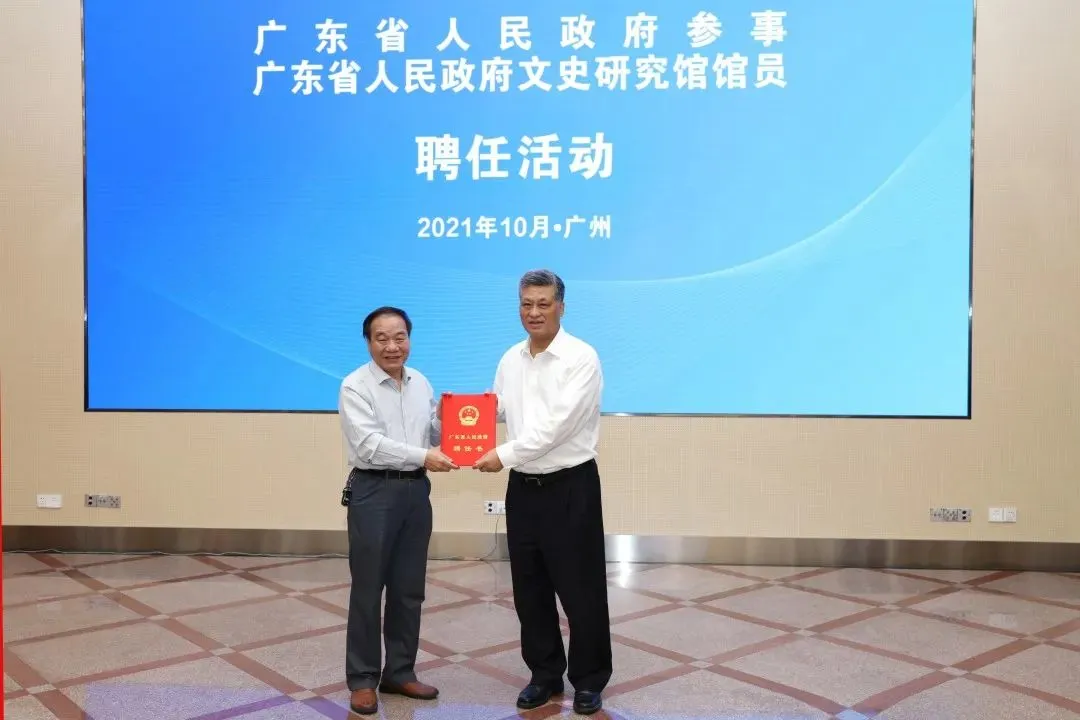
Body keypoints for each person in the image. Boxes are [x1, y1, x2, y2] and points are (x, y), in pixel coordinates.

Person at [473, 270, 612, 715]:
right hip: (523, 488)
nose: (533, 312)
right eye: (526, 303)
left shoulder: (581, 357)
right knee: (529, 589)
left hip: (571, 485)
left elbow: (558, 427)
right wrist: (458, 421)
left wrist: (503, 454)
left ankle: (589, 680)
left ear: (561, 307)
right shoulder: (510, 358)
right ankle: (545, 674)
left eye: (543, 304)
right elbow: (494, 409)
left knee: (581, 589)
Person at [337, 306, 457, 716]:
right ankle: (362, 679)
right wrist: (424, 455)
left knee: (409, 589)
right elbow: (369, 445)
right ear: (368, 342)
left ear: (410, 338)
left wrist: (455, 420)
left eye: (400, 337)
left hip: (415, 492)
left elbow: (433, 434)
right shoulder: (355, 386)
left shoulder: (420, 382)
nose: (392, 346)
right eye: (382, 338)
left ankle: (400, 671)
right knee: (368, 588)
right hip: (374, 491)